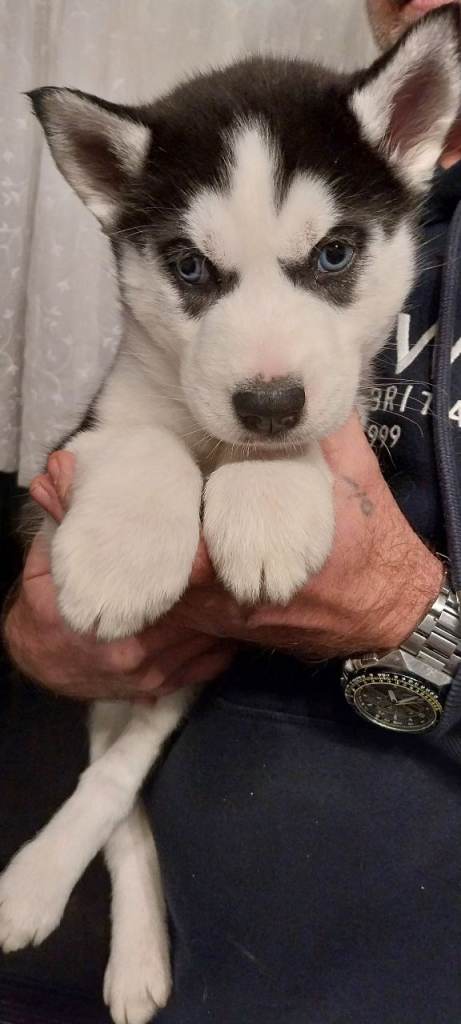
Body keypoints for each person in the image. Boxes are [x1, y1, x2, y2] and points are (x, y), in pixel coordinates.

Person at [3, 0, 461, 1020]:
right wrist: (40, 634)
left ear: (412, 125)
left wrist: (401, 611)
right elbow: (70, 589)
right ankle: (129, 871)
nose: (265, 375)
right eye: (193, 269)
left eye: (329, 258)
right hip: (213, 940)